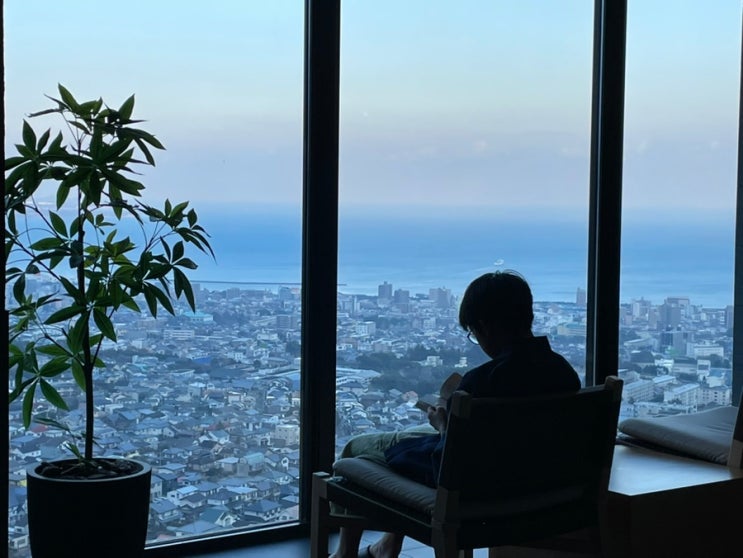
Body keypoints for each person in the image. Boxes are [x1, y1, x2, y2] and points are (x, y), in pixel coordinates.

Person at [330, 271, 581, 558]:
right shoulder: (563, 372)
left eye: (473, 333)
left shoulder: (482, 382)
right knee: (410, 436)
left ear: (485, 326)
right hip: (539, 487)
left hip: (476, 491)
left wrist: (443, 426)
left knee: (356, 448)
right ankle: (387, 546)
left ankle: (344, 554)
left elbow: (449, 464)